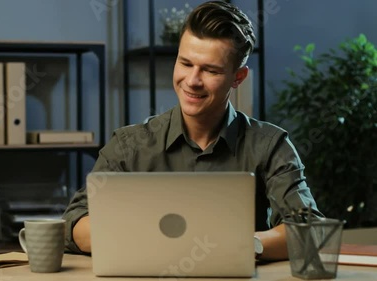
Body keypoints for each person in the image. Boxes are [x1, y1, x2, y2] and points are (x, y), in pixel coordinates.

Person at [62, 0, 322, 260]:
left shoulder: (269, 145)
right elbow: (74, 223)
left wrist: (240, 244)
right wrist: (149, 242)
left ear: (238, 78)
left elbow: (310, 229)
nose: (192, 81)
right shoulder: (129, 145)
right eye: (186, 64)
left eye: (210, 70)